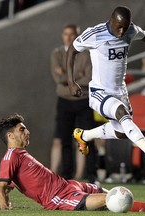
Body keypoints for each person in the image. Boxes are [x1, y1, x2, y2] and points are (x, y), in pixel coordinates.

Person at [66, 6, 145, 166]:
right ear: (111, 21)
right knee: (121, 113)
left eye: (125, 28)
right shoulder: (95, 34)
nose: (121, 32)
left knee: (121, 132)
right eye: (118, 27)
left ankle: (84, 136)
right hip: (100, 91)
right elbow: (71, 50)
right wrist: (71, 81)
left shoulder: (129, 30)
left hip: (120, 91)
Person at [0, 114, 145, 213]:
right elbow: (1, 186)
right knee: (114, 199)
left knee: (114, 195)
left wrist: (8, 202)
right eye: (22, 130)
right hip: (58, 198)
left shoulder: (20, 154)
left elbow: (9, 186)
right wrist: (4, 208)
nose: (27, 132)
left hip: (70, 185)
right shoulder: (11, 156)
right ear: (10, 136)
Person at [50, 24, 97, 183]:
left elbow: (89, 78)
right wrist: (77, 76)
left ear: (77, 35)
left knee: (86, 137)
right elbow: (58, 79)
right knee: (64, 139)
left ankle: (88, 174)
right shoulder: (57, 54)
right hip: (64, 101)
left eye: (72, 34)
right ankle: (67, 174)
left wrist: (68, 78)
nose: (68, 37)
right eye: (66, 34)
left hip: (84, 101)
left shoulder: (87, 54)